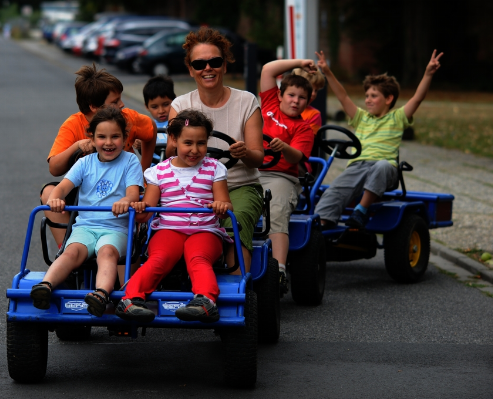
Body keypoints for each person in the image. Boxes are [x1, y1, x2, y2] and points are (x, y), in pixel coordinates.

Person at [115, 109, 233, 323]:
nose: (195, 150)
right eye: (188, 143)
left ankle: (206, 300)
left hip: (205, 230)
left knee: (198, 258)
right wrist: (141, 207)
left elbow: (225, 202)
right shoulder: (158, 171)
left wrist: (220, 205)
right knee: (159, 258)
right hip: (168, 229)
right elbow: (149, 207)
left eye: (201, 143)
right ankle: (130, 299)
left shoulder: (215, 168)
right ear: (174, 140)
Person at [167, 27, 264, 272]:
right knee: (166, 224)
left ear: (224, 65)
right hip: (191, 186)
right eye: (199, 64)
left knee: (235, 221)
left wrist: (243, 153)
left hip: (238, 185)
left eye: (215, 61)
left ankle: (237, 290)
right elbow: (168, 154)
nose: (207, 68)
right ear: (191, 70)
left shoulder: (247, 101)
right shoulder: (180, 105)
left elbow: (258, 159)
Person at [30, 107, 143, 316]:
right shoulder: (85, 162)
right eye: (102, 137)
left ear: (125, 137)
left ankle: (100, 293)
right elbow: (64, 186)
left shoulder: (130, 161)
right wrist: (56, 197)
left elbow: (133, 194)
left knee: (106, 253)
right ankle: (45, 285)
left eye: (115, 137)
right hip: (85, 227)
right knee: (71, 252)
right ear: (92, 138)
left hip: (115, 228)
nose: (108, 142)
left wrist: (125, 201)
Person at [314, 49, 443, 228]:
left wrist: (428, 73)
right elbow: (342, 97)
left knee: (381, 166)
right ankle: (321, 226)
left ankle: (361, 210)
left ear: (389, 99)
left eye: (373, 96)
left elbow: (417, 98)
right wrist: (327, 72)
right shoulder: (360, 117)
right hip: (358, 166)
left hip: (385, 169)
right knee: (334, 189)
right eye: (366, 96)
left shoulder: (397, 117)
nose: (368, 100)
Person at [41, 64, 157, 247]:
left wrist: (144, 169)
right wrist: (77, 146)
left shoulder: (127, 118)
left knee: (152, 195)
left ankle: (130, 247)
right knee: (49, 192)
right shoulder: (73, 124)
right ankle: (67, 249)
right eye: (115, 101)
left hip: (124, 189)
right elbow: (54, 168)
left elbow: (151, 130)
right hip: (87, 191)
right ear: (94, 107)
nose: (122, 104)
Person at [258, 59, 317, 287]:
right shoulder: (269, 106)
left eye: (302, 98)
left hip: (282, 177)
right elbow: (267, 69)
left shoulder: (302, 128)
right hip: (251, 171)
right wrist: (300, 62)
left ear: (308, 101)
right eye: (291, 95)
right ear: (280, 95)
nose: (296, 101)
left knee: (276, 210)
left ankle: (278, 270)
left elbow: (297, 158)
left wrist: (284, 147)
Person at [133, 75, 176, 158]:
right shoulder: (147, 127)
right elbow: (145, 154)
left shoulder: (179, 124)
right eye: (154, 107)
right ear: (147, 107)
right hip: (153, 167)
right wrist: (139, 145)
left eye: (166, 104)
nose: (161, 111)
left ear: (175, 101)